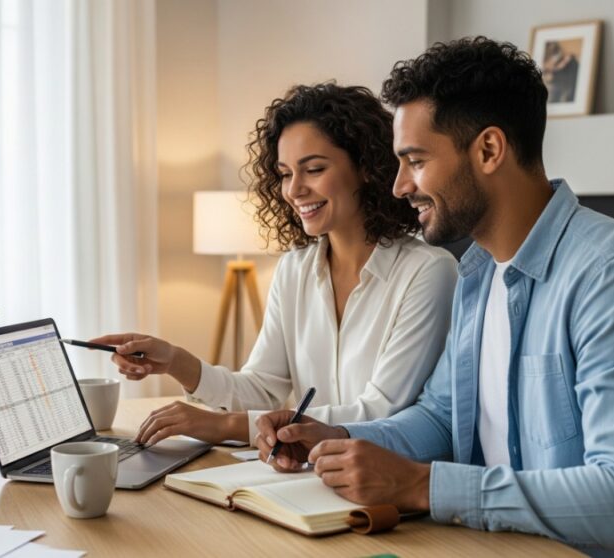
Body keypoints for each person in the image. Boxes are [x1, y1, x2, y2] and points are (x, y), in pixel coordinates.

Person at [253, 38, 614, 557]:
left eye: (416, 160)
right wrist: (334, 435)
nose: (399, 186)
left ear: (489, 150)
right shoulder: (479, 275)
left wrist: (421, 485)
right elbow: (444, 417)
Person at [91, 83, 457, 447]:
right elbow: (262, 388)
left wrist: (227, 427)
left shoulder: (428, 272)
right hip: (306, 475)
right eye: (285, 173)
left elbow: (380, 413)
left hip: (381, 488)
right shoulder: (294, 271)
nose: (294, 190)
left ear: (366, 167)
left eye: (313, 169)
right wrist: (174, 361)